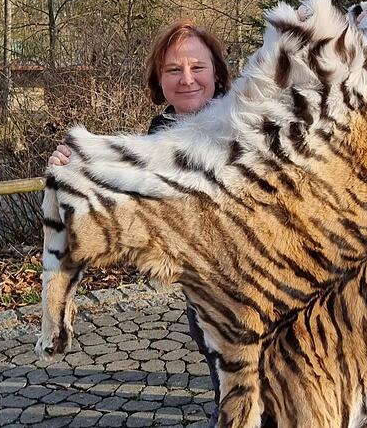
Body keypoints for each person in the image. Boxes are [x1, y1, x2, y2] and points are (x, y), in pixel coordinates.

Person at [48, 21, 232, 426]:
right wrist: (74, 163)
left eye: (197, 67)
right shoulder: (158, 135)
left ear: (217, 73)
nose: (187, 79)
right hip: (203, 289)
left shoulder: (247, 118)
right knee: (221, 367)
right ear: (159, 80)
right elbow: (125, 192)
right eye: (173, 70)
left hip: (267, 287)